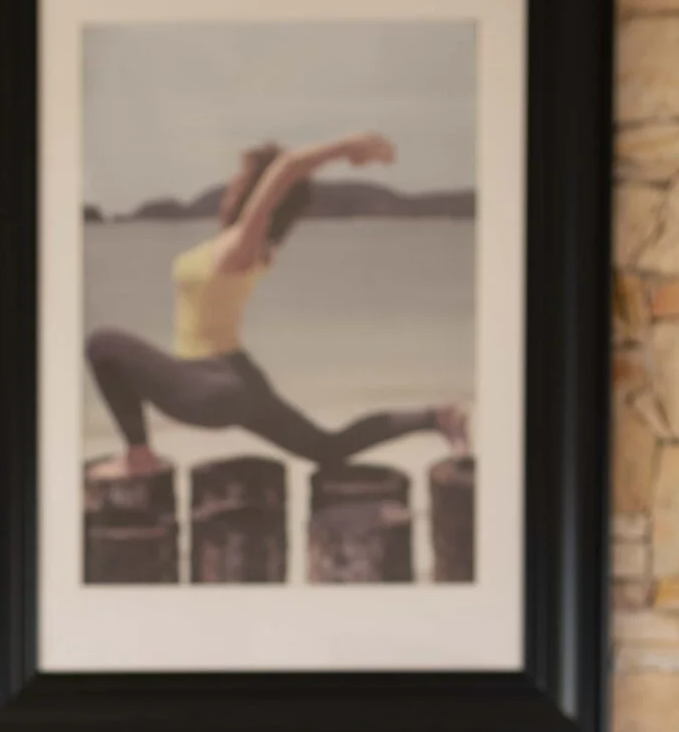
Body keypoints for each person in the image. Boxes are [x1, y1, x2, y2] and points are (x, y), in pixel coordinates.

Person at [85, 131, 468, 483]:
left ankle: (138, 456)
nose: (230, 186)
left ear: (256, 194)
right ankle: (437, 417)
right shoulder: (248, 247)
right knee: (326, 448)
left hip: (209, 384)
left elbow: (289, 166)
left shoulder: (243, 245)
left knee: (102, 345)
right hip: (239, 380)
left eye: (240, 180)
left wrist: (348, 147)